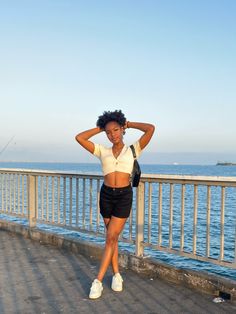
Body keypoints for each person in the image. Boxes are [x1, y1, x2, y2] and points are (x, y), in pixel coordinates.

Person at [75, 110, 155, 299]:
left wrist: (130, 123)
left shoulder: (134, 149)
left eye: (116, 130)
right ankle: (117, 275)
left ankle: (98, 281)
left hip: (123, 196)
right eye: (108, 132)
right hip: (106, 195)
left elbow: (150, 129)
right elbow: (79, 137)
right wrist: (100, 127)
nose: (113, 135)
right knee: (112, 238)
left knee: (111, 237)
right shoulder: (102, 151)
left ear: (122, 129)